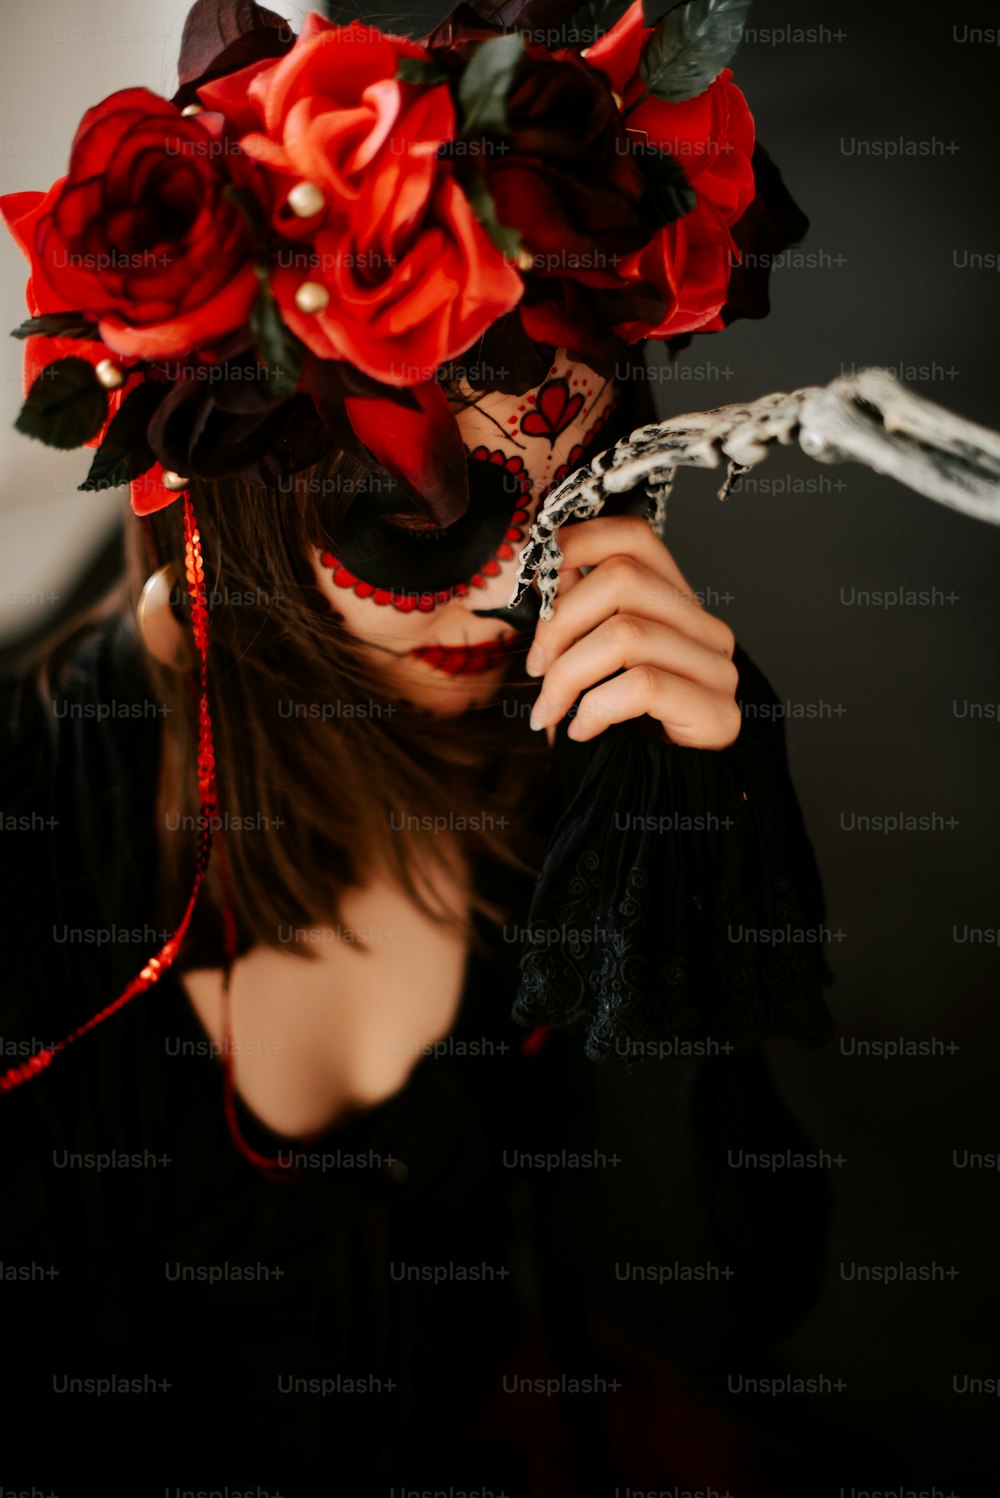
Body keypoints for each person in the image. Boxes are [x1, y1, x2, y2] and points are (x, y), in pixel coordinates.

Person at [0, 1, 837, 1493]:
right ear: (250, 472)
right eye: (425, 514)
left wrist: (668, 828)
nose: (501, 592)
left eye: (567, 493)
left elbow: (704, 1323)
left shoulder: (635, 725)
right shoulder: (32, 803)